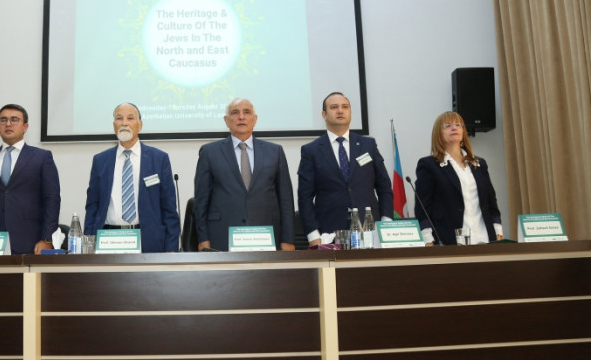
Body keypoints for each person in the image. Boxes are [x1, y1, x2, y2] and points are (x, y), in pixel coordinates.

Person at [193, 98, 295, 252]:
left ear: (254, 119)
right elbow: (201, 201)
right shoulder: (209, 152)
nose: (241, 117)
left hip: (266, 237)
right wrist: (203, 239)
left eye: (247, 112)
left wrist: (288, 239)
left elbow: (286, 200)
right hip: (221, 237)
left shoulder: (275, 152)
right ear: (226, 120)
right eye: (235, 113)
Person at [297, 92, 393, 246]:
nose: (340, 111)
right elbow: (305, 197)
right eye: (334, 107)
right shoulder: (311, 150)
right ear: (324, 115)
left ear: (350, 112)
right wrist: (313, 235)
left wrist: (386, 224)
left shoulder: (368, 145)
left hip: (370, 230)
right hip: (329, 232)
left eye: (345, 107)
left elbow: (384, 187)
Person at [84, 103, 180, 252]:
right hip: (108, 241)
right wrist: (88, 245)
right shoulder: (100, 161)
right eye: (119, 118)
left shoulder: (159, 159)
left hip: (148, 242)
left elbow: (169, 210)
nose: (124, 123)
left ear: (140, 125)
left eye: (130, 118)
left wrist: (171, 250)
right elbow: (92, 207)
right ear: (114, 125)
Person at [0, 104, 61, 254]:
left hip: (30, 239)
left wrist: (47, 239)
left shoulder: (42, 157)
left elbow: (52, 199)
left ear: (25, 127)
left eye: (14, 120)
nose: (8, 124)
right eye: (3, 120)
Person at [414, 111, 503, 245]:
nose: (454, 128)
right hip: (449, 239)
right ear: (438, 133)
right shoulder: (429, 165)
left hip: (484, 237)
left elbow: (491, 202)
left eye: (458, 125)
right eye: (448, 126)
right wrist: (427, 238)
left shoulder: (479, 163)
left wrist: (498, 230)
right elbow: (423, 207)